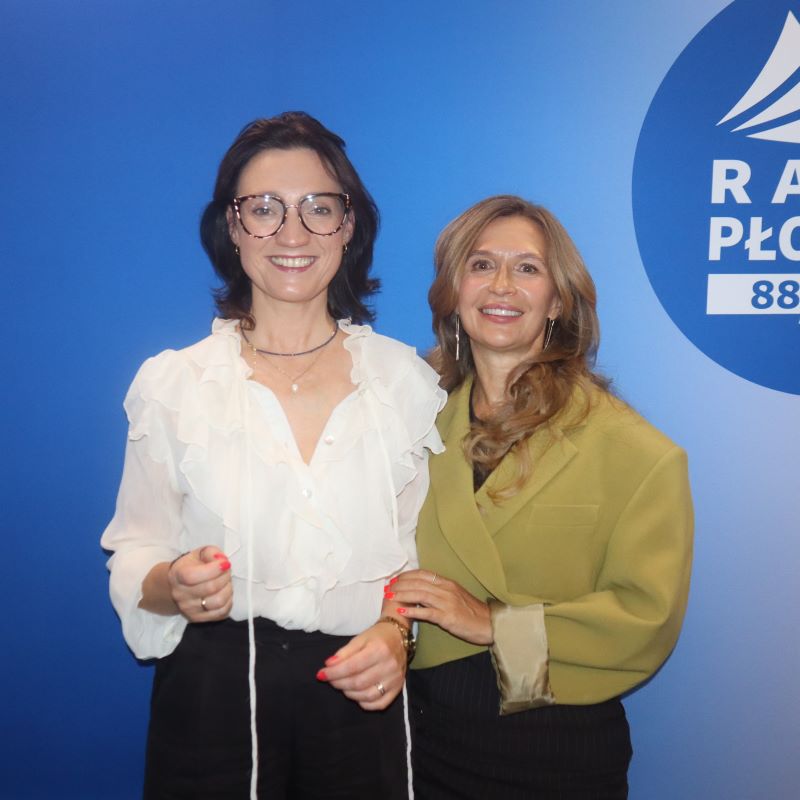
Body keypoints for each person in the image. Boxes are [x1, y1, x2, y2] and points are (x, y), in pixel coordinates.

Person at [101, 112, 445, 800]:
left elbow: (418, 559)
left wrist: (395, 635)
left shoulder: (405, 383)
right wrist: (175, 584)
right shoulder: (175, 384)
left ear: (349, 226)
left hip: (359, 692)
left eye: (319, 208)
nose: (293, 234)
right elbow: (137, 549)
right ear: (232, 228)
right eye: (264, 209)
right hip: (212, 700)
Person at [392, 195, 693, 799]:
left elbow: (646, 620)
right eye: (481, 264)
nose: (501, 284)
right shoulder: (407, 425)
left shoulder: (637, 453)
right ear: (453, 292)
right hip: (418, 742)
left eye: (527, 268)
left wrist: (493, 624)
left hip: (555, 752)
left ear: (558, 301)